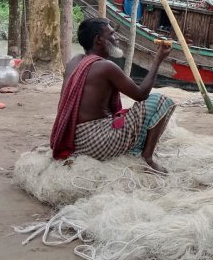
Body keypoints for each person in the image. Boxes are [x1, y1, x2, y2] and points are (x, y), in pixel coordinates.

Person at [50, 18, 176, 173]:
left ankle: (139, 151)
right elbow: (141, 94)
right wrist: (158, 60)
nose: (116, 38)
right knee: (162, 101)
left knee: (129, 113)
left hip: (76, 140)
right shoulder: (106, 66)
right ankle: (147, 159)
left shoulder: (74, 61)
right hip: (97, 143)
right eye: (112, 34)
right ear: (99, 40)